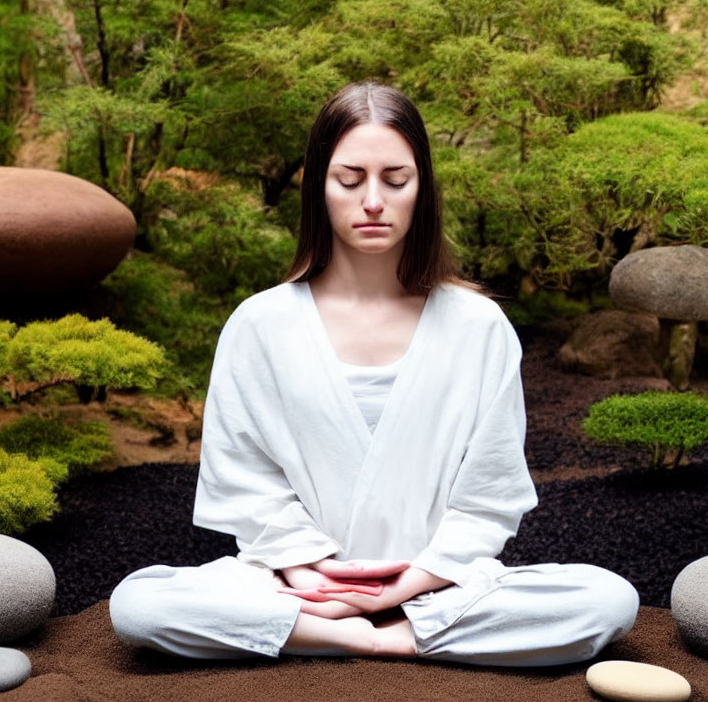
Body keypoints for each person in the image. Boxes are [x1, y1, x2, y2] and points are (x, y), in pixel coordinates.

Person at [109, 81, 639, 666]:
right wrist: (311, 575)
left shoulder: (478, 326)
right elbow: (244, 480)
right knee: (140, 604)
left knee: (607, 600)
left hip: (439, 586)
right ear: (317, 186)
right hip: (298, 586)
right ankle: (356, 635)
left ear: (422, 187)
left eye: (395, 179)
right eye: (350, 178)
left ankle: (388, 633)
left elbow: (488, 495)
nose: (372, 201)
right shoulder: (259, 324)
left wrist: (407, 585)